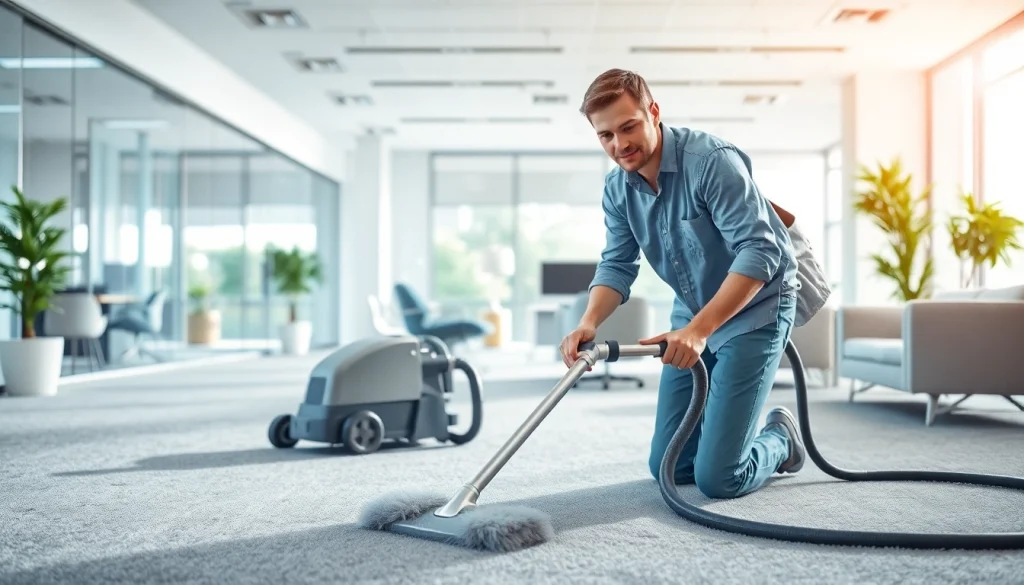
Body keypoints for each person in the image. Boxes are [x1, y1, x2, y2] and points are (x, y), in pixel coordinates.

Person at [559, 68, 806, 500]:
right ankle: (728, 434)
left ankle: (780, 439)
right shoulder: (618, 189)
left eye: (628, 126)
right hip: (691, 308)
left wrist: (698, 332)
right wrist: (589, 321)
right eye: (606, 136)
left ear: (653, 112)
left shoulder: (712, 162)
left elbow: (760, 252)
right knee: (669, 466)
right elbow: (617, 263)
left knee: (719, 479)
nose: (620, 145)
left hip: (757, 307)